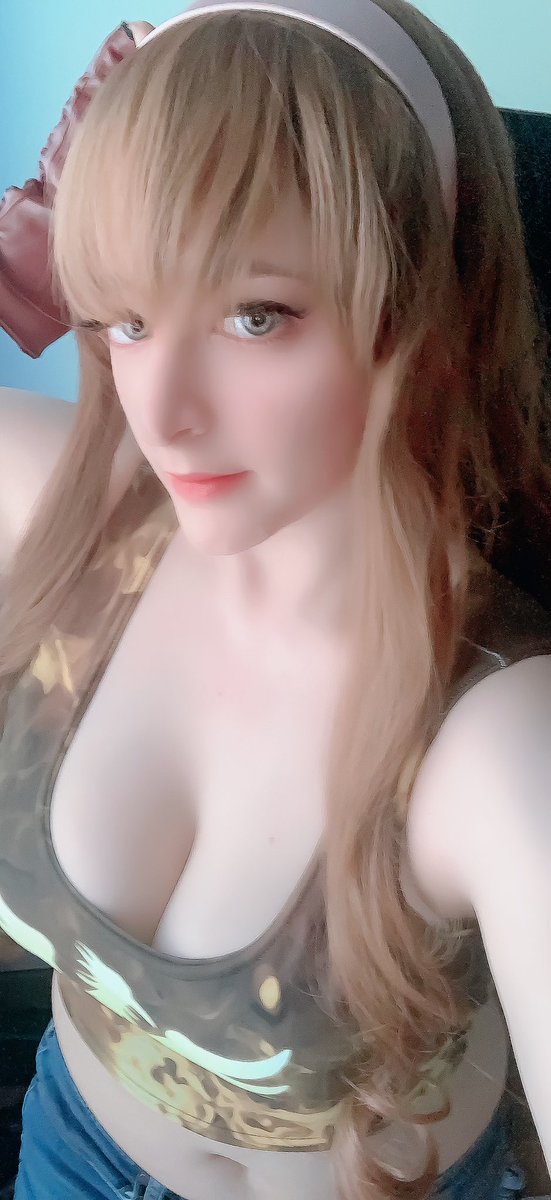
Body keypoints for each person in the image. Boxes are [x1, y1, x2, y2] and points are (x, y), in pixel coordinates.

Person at [0, 3, 550, 1198]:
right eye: (127, 317)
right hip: (69, 1151)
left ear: (425, 312)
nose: (163, 412)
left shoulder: (497, 742)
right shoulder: (56, 513)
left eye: (255, 316)